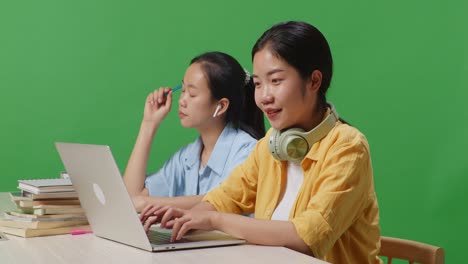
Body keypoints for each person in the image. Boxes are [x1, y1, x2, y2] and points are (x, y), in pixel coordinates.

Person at [140, 21, 382, 263]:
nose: (264, 96)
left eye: (276, 81)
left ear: (314, 81)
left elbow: (306, 239)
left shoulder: (348, 147)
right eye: (258, 84)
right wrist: (185, 218)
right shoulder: (270, 146)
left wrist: (214, 220)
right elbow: (223, 198)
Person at [124, 52, 265, 212]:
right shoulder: (187, 157)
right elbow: (131, 196)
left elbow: (223, 200)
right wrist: (148, 124)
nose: (182, 100)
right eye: (183, 90)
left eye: (192, 94)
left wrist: (149, 203)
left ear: (221, 106)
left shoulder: (247, 152)